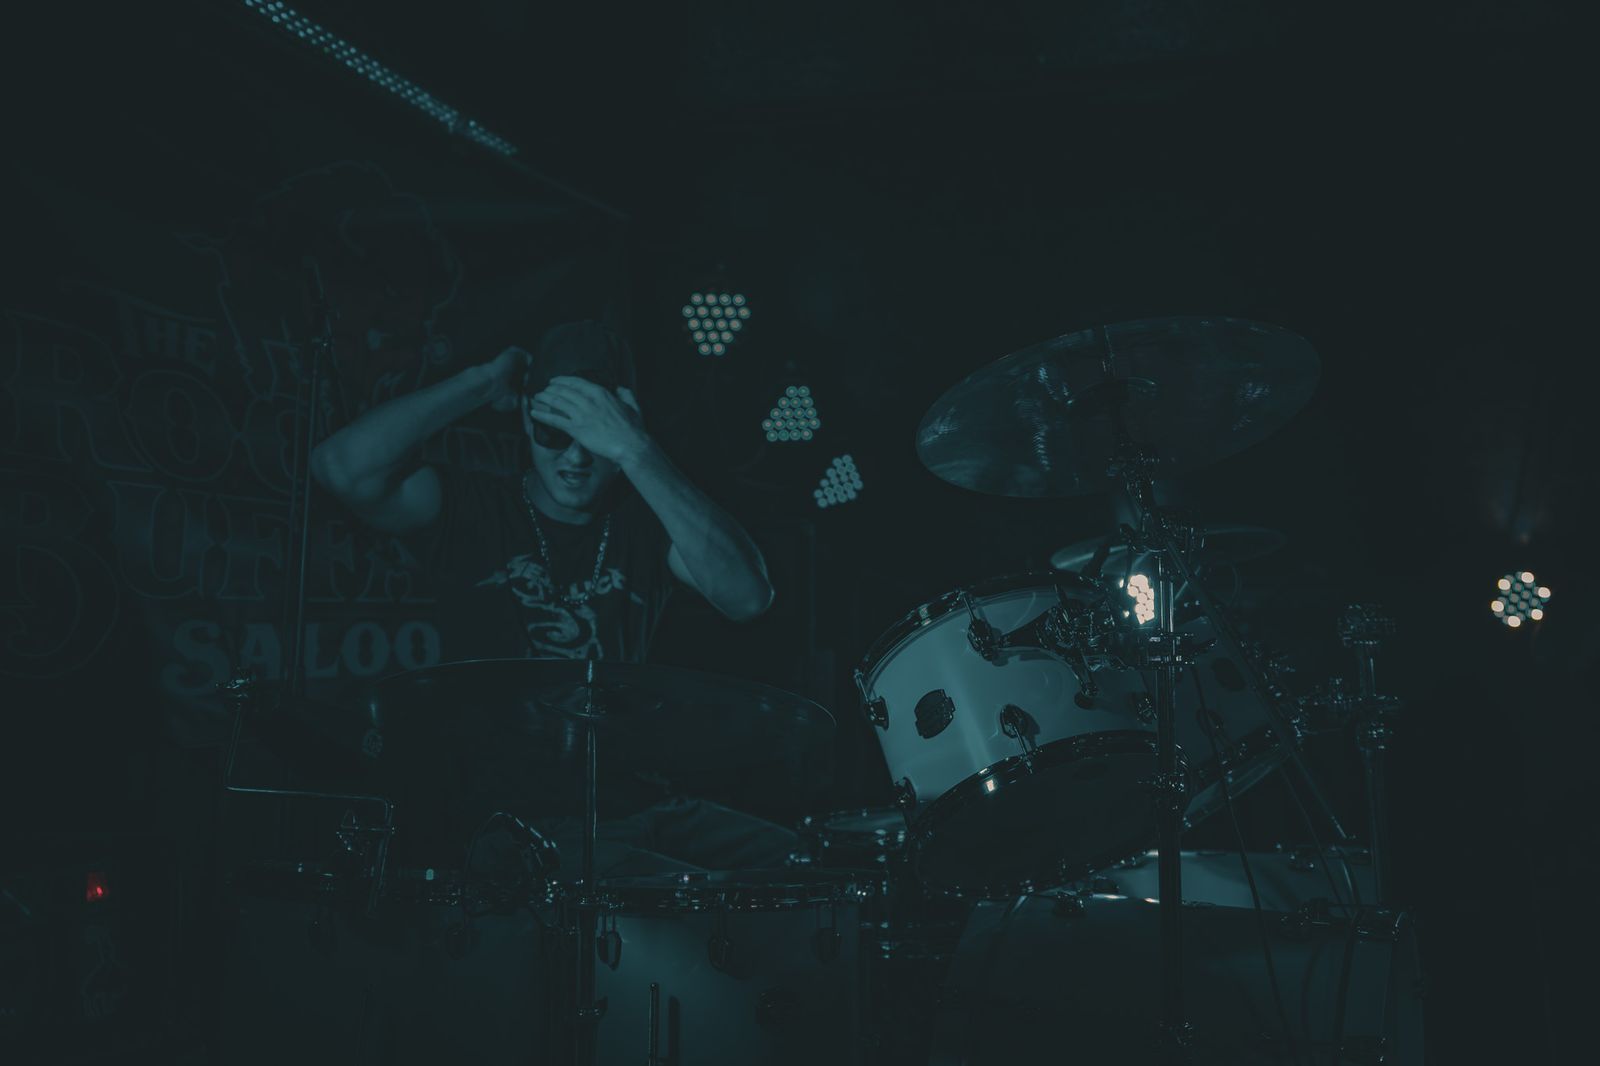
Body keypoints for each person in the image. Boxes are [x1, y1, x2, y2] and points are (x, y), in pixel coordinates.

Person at [311, 320, 798, 876]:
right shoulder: (471, 507)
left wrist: (637, 448)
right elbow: (339, 468)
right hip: (514, 820)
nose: (575, 458)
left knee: (801, 866)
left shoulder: (644, 521)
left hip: (642, 800)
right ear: (526, 417)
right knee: (666, 892)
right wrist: (482, 382)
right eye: (553, 433)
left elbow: (747, 597)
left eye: (594, 439)